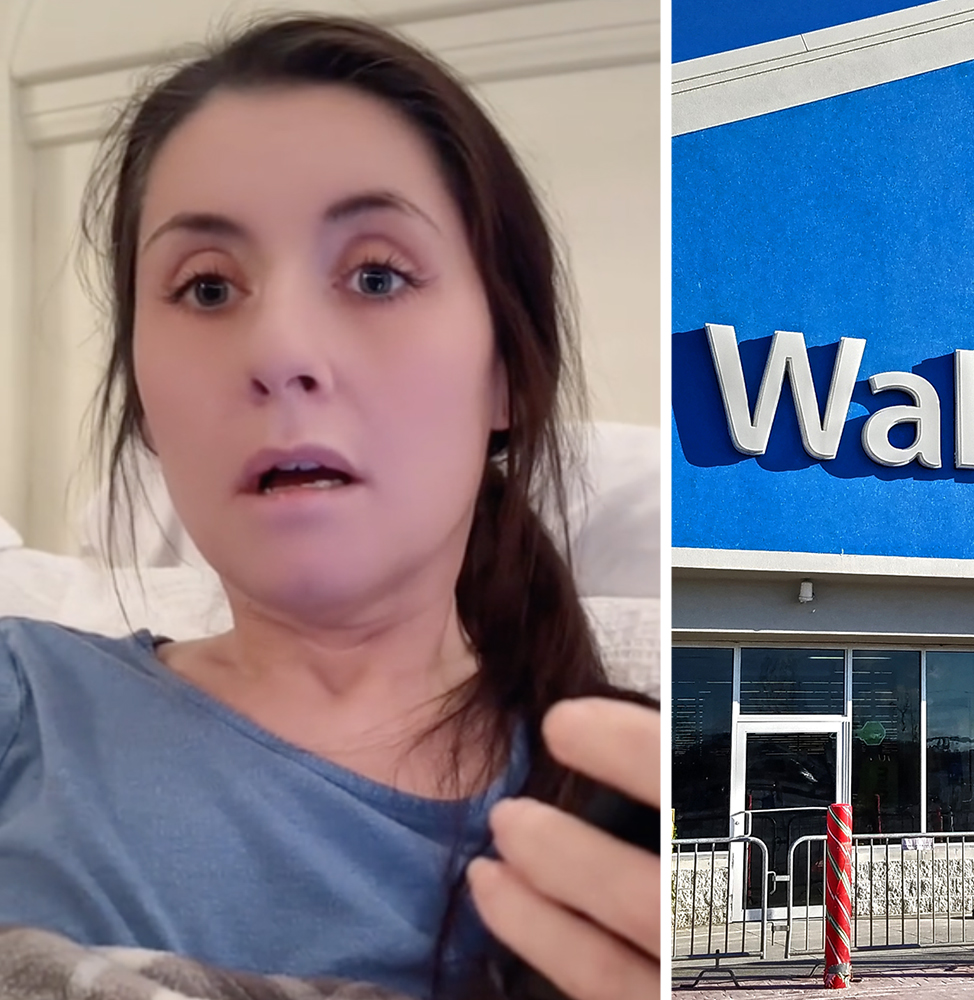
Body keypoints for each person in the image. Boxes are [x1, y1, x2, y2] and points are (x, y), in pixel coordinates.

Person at [0, 15, 657, 1000]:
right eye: (209, 288)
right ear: (144, 400)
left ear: (506, 374)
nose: (279, 351)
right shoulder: (23, 697)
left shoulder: (636, 804)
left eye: (378, 275)